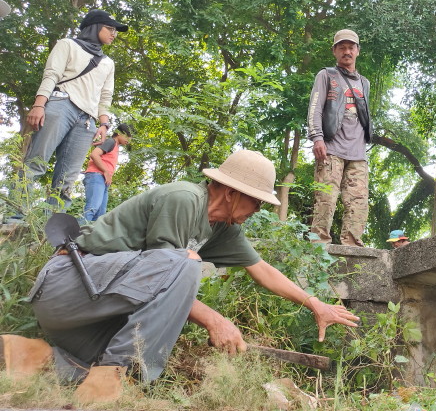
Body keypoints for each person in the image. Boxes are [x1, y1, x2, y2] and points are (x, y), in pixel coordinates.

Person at [0, 149, 359, 403]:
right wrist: (216, 320)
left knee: (87, 366)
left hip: (89, 316)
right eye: (258, 201)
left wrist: (315, 304)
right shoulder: (186, 199)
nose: (259, 209)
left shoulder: (223, 229)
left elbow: (261, 269)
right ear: (234, 193)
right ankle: (112, 375)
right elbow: (168, 273)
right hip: (68, 284)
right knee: (185, 262)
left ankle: (37, 356)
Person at [20, 10, 127, 210]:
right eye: (110, 29)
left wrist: (104, 124)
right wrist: (39, 105)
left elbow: (105, 97)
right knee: (36, 162)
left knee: (67, 178)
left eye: (116, 31)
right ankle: (15, 216)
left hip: (87, 121)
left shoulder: (108, 63)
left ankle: (50, 225)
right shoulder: (67, 45)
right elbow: (51, 75)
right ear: (95, 27)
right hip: (61, 104)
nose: (114, 34)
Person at [307, 29, 372, 246]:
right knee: (326, 198)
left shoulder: (364, 83)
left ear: (358, 51)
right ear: (335, 51)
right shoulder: (326, 75)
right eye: (342, 47)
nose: (347, 51)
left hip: (357, 153)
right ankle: (318, 246)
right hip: (331, 148)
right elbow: (315, 108)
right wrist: (317, 137)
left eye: (351, 47)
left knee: (359, 201)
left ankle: (353, 246)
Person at [82, 123, 133, 223]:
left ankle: (89, 236)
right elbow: (95, 154)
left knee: (100, 214)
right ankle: (76, 236)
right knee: (92, 208)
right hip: (96, 176)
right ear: (119, 133)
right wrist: (105, 171)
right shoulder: (111, 142)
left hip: (104, 181)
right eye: (127, 136)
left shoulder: (115, 146)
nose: (129, 140)